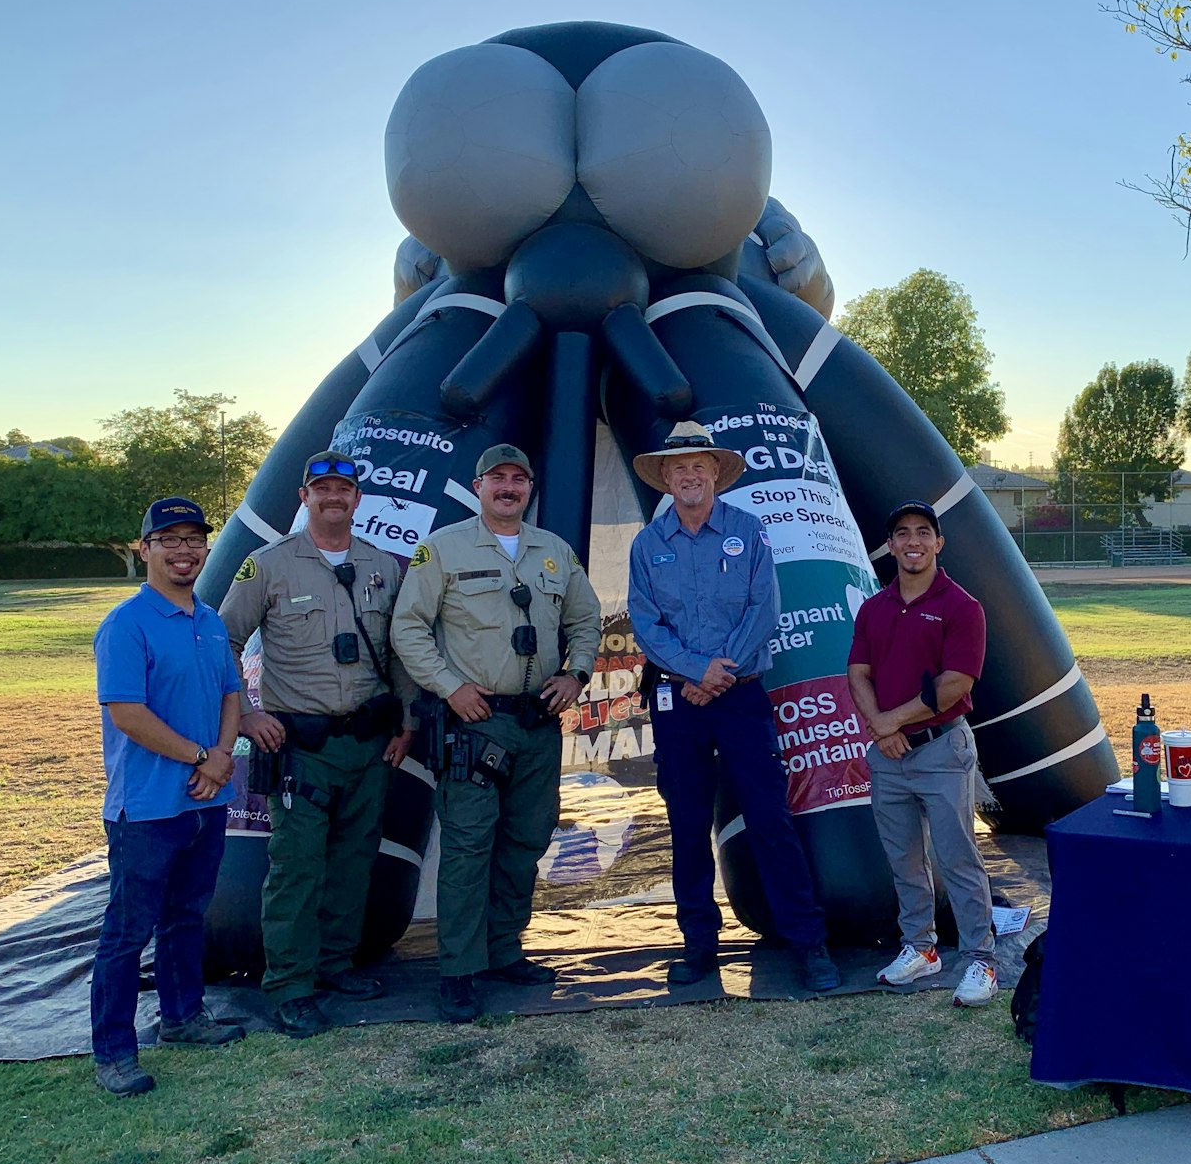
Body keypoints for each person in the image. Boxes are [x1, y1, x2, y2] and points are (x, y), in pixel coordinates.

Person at [626, 420, 840, 992]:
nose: (690, 474)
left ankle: (807, 944)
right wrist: (697, 671)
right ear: (665, 478)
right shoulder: (648, 546)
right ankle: (699, 948)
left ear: (716, 472)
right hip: (679, 700)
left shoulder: (749, 530)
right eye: (679, 467)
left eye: (700, 464)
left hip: (740, 696)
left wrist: (719, 672)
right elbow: (646, 623)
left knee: (771, 819)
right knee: (687, 825)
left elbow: (763, 609)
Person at [390, 443, 599, 1022]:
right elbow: (408, 629)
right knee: (467, 847)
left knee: (525, 843)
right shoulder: (443, 549)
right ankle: (459, 970)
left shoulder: (554, 552)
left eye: (518, 478)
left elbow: (585, 620)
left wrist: (576, 674)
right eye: (497, 478)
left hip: (537, 725)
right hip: (475, 726)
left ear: (529, 488)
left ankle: (505, 950)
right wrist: (449, 686)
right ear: (478, 487)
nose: (508, 487)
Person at [217, 451, 417, 1039]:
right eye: (322, 488)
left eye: (344, 489)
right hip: (301, 746)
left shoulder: (383, 565)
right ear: (304, 497)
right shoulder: (269, 566)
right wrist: (249, 715)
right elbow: (223, 641)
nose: (334, 497)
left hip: (370, 743)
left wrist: (406, 724)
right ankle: (290, 985)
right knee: (297, 869)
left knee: (355, 863)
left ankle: (334, 965)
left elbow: (401, 650)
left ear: (359, 500)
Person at [89, 497, 248, 1095]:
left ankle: (183, 1018)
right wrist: (201, 757)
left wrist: (223, 757)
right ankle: (113, 1052)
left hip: (206, 801)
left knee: (187, 917)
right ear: (145, 549)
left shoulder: (209, 619)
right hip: (149, 809)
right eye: (169, 539)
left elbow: (232, 695)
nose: (184, 549)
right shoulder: (126, 626)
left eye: (194, 539)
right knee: (128, 931)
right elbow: (128, 712)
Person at [846, 500, 997, 1007]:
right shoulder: (874, 607)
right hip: (888, 754)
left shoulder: (961, 606)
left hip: (940, 750)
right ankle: (921, 948)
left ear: (938, 543)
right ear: (890, 545)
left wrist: (892, 721)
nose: (913, 542)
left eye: (923, 533)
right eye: (903, 534)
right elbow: (858, 673)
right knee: (904, 859)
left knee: (957, 857)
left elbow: (955, 684)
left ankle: (980, 958)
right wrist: (880, 727)